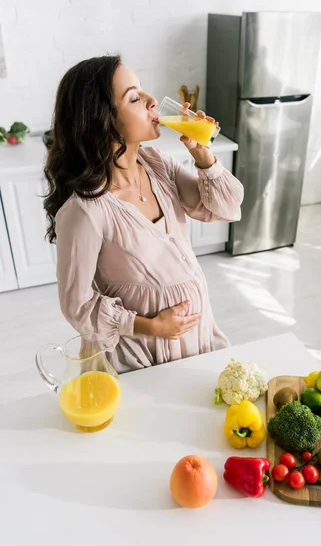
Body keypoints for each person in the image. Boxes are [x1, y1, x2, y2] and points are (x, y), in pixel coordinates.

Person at [44, 55, 244, 373]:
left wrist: (204, 156)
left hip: (193, 336)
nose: (152, 101)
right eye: (135, 98)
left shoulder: (158, 165)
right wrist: (150, 327)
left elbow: (225, 208)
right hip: (140, 353)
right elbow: (77, 305)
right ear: (102, 121)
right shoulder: (85, 211)